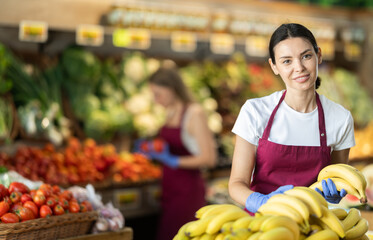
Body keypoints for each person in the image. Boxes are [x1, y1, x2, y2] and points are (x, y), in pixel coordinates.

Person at [228, 23, 355, 214]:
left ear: (318, 55)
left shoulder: (340, 118)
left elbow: (338, 176)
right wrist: (259, 201)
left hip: (313, 224)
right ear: (274, 66)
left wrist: (336, 191)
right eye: (287, 61)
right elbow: (236, 184)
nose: (299, 67)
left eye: (306, 56)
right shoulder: (255, 111)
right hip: (261, 223)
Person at [136, 65, 217, 240]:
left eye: (158, 94)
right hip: (170, 189)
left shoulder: (194, 113)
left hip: (187, 192)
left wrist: (173, 160)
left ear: (172, 89)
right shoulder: (170, 112)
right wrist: (153, 149)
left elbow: (209, 158)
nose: (156, 100)